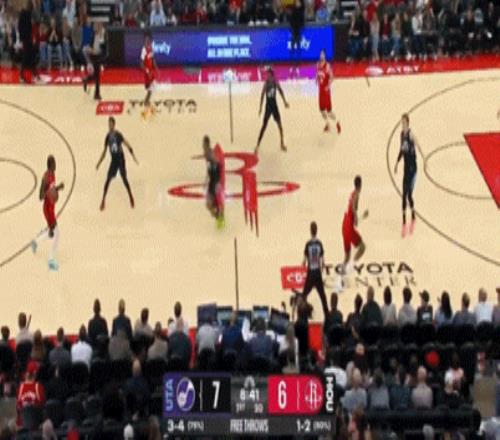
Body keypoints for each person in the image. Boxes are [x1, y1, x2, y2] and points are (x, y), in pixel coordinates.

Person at [31, 155, 64, 271]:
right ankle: (51, 260)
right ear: (50, 165)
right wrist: (49, 192)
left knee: (51, 233)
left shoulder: (53, 174)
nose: (56, 165)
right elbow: (40, 196)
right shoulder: (45, 178)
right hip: (47, 209)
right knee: (56, 234)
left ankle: (35, 241)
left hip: (51, 207)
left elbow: (52, 189)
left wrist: (58, 187)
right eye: (54, 163)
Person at [96, 117, 138, 211]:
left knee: (124, 178)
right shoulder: (107, 137)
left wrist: (132, 152)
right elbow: (104, 152)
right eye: (109, 124)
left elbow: (126, 143)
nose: (110, 126)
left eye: (111, 124)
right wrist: (99, 162)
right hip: (114, 160)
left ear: (114, 125)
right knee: (107, 179)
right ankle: (103, 200)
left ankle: (131, 196)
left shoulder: (118, 135)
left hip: (120, 160)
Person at [394, 113, 419, 238]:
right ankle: (404, 223)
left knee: (409, 195)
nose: (402, 124)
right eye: (401, 122)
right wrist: (397, 162)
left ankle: (413, 217)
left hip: (413, 170)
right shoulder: (401, 135)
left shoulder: (410, 134)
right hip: (406, 169)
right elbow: (402, 149)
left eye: (404, 122)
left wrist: (424, 157)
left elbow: (418, 145)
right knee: (403, 196)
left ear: (407, 123)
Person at [255, 67, 289, 155]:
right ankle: (257, 145)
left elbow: (281, 91)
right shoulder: (266, 83)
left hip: (274, 106)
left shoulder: (275, 82)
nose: (266, 75)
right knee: (264, 126)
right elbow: (262, 95)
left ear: (270, 74)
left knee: (280, 126)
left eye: (267, 73)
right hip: (268, 107)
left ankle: (282, 143)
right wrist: (260, 107)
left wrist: (285, 102)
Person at [341, 175, 368, 274]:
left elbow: (351, 207)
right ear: (360, 185)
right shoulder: (356, 194)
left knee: (347, 256)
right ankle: (351, 266)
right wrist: (358, 216)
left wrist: (358, 217)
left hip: (344, 225)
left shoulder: (352, 193)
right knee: (362, 247)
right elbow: (353, 206)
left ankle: (341, 275)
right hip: (349, 227)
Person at [302, 221, 328, 317]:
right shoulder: (319, 244)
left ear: (310, 231)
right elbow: (323, 262)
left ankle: (303, 314)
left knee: (304, 295)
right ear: (316, 231)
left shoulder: (308, 244)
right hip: (317, 273)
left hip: (310, 273)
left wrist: (303, 264)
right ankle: (327, 315)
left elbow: (304, 261)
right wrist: (322, 269)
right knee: (323, 297)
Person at [316, 49, 341, 134]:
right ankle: (327, 124)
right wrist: (316, 79)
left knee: (329, 111)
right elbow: (317, 74)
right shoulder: (318, 65)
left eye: (323, 54)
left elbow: (332, 77)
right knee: (321, 110)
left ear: (325, 55)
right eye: (320, 54)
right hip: (320, 91)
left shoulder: (327, 66)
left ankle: (337, 122)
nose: (321, 56)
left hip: (326, 92)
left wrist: (328, 86)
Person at [202, 136, 224, 227]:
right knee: (209, 204)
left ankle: (219, 217)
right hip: (212, 178)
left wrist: (217, 181)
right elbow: (209, 168)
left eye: (203, 144)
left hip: (214, 179)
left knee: (210, 203)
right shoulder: (207, 153)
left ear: (206, 144)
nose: (202, 146)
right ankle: (217, 216)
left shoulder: (209, 153)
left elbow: (216, 163)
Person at [16, 361, 45, 428]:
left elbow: (17, 406)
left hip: (22, 425)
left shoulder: (19, 388)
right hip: (36, 424)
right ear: (35, 373)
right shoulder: (39, 387)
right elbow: (43, 405)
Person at [82, 21, 106, 100]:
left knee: (96, 75)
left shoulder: (102, 35)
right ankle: (96, 94)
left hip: (99, 56)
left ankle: (86, 80)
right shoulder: (93, 36)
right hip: (94, 57)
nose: (96, 28)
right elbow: (91, 47)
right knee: (97, 76)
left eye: (98, 26)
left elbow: (102, 46)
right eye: (95, 26)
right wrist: (90, 50)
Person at [140, 33, 157, 119]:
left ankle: (147, 103)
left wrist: (156, 68)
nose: (147, 41)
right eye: (146, 40)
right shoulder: (144, 50)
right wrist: (147, 71)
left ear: (150, 40)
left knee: (152, 89)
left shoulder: (151, 48)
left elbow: (153, 59)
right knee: (149, 90)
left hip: (151, 72)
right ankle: (146, 105)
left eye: (148, 40)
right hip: (147, 74)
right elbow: (141, 63)